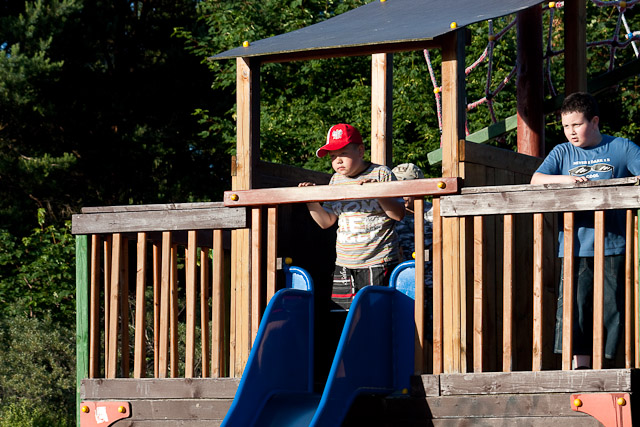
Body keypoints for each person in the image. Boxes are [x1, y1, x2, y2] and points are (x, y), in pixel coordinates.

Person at [530, 92, 640, 369]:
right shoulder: (562, 152)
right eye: (566, 126)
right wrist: (566, 180)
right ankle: (581, 367)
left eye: (577, 125)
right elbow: (536, 180)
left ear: (594, 121)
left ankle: (607, 367)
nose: (571, 132)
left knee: (612, 307)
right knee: (575, 307)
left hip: (614, 243)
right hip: (575, 245)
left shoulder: (622, 147)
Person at [299, 123, 405, 310]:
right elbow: (326, 221)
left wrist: (377, 192)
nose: (338, 161)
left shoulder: (381, 173)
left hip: (377, 260)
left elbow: (398, 214)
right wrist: (311, 202)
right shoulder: (335, 180)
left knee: (375, 313)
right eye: (333, 157)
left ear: (360, 151)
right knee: (345, 316)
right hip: (345, 262)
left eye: (343, 154)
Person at [392, 163, 433, 341]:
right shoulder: (390, 214)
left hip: (432, 281)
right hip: (403, 282)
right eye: (397, 189)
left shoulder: (434, 212)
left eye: (407, 188)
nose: (402, 195)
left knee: (433, 330)